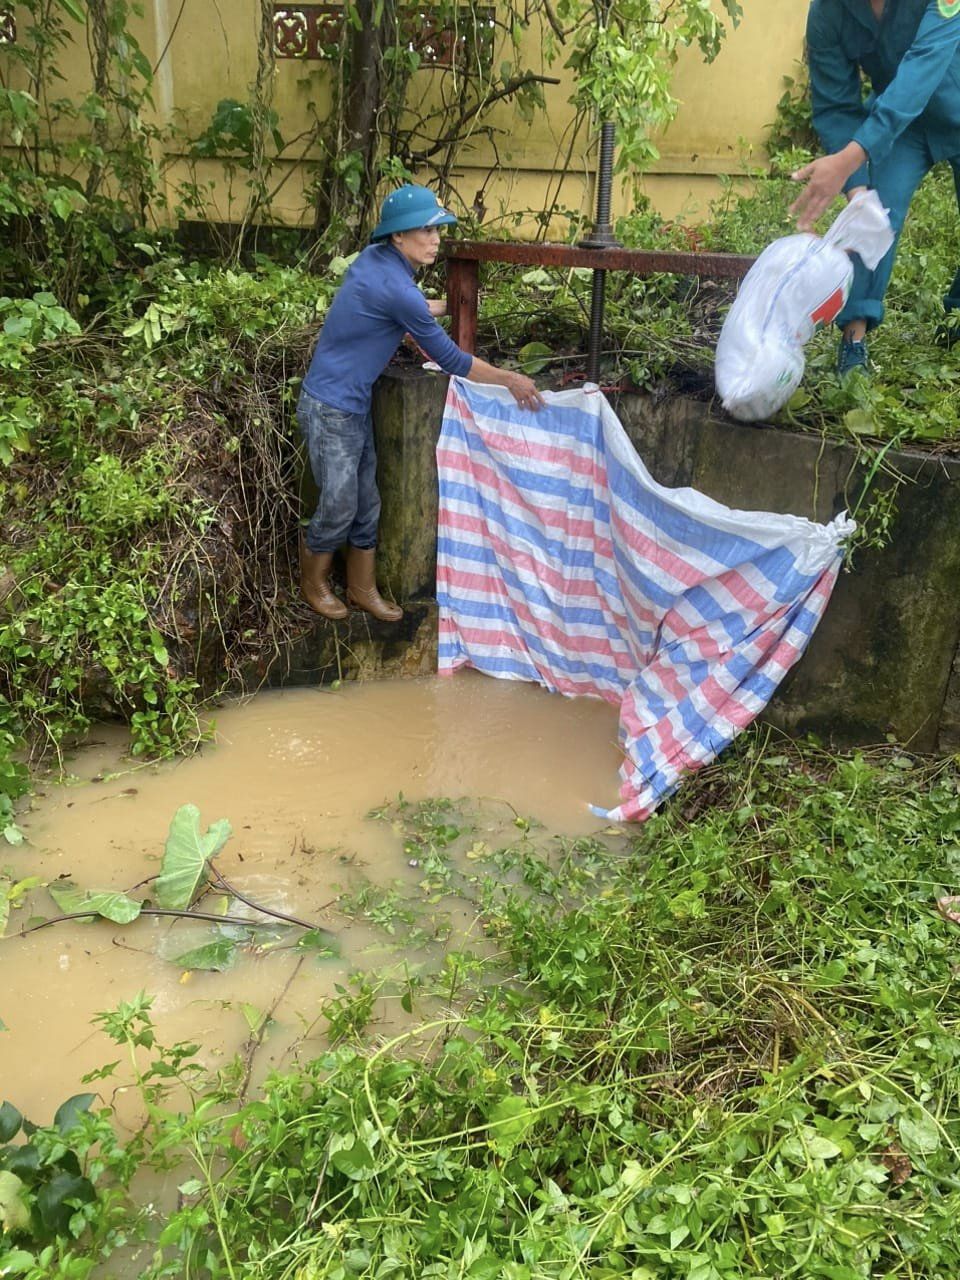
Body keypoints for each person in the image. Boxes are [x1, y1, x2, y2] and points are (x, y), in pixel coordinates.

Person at [297, 184, 545, 623]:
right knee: (338, 502)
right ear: (397, 236)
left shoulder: (374, 264)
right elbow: (448, 358)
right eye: (424, 231)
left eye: (437, 231)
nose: (434, 240)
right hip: (330, 407)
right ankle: (314, 583)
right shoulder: (397, 288)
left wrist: (441, 306)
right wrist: (508, 379)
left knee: (367, 501)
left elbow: (400, 306)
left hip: (351, 404)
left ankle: (361, 588)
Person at [791, 0, 960, 377]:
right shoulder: (827, 13)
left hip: (949, 102)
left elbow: (922, 68)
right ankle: (853, 342)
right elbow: (835, 106)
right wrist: (855, 187)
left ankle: (956, 323)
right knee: (875, 211)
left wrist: (853, 155)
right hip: (902, 128)